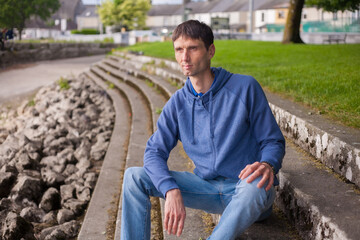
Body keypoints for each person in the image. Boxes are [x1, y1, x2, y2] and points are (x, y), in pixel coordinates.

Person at [120, 20, 285, 240]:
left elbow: (273, 141)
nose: (184, 58)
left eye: (192, 48)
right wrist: (169, 189)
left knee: (255, 183)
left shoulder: (245, 88)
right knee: (133, 177)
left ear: (210, 51)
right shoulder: (177, 103)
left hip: (248, 191)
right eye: (179, 49)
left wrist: (267, 164)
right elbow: (154, 152)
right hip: (205, 189)